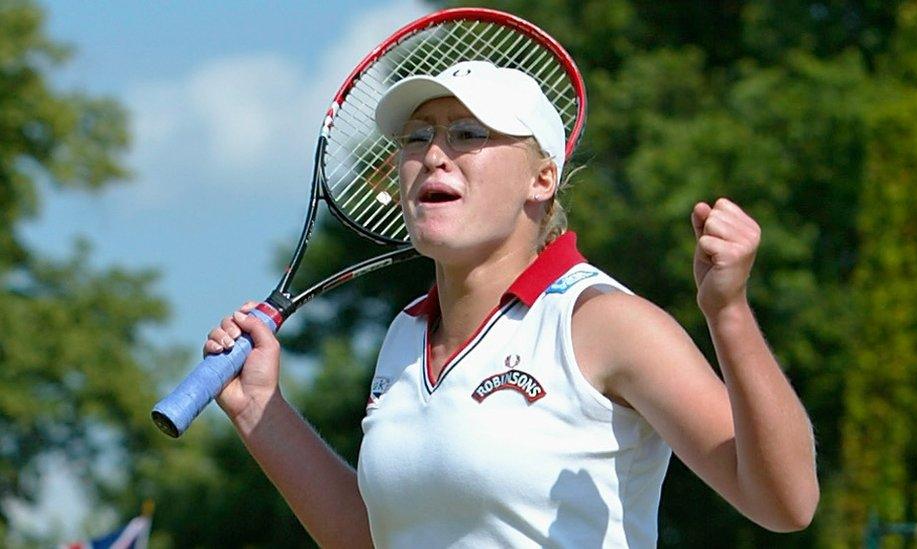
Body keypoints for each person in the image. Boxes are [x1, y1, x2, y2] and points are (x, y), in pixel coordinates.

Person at [204, 60, 819, 547]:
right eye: (417, 136)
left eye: (469, 134)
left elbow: (785, 503)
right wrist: (263, 412)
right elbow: (378, 540)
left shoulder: (604, 323)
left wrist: (729, 313)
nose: (434, 154)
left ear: (542, 178)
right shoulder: (404, 335)